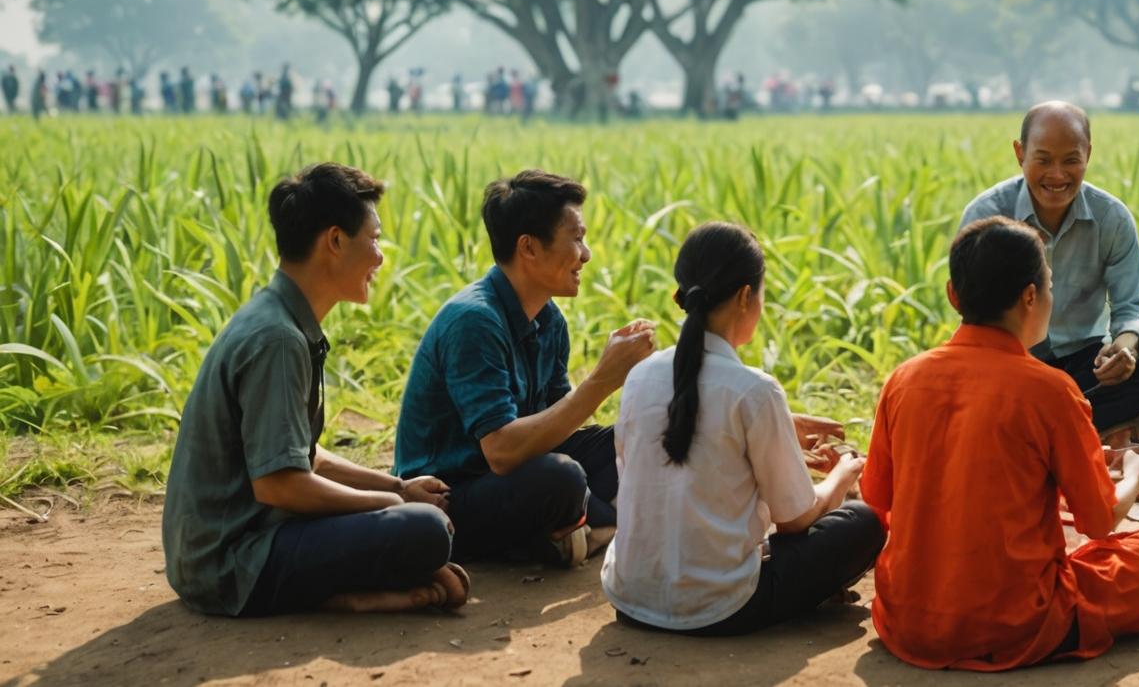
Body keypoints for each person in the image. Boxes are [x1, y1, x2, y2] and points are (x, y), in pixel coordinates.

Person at [864, 217, 1139, 670]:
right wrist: (1134, 474)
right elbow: (1097, 520)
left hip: (907, 622)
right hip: (1014, 624)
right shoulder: (1050, 390)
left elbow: (876, 497)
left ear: (954, 295)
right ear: (1031, 296)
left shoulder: (904, 379)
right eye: (1048, 287)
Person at [163, 163, 468, 615]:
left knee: (415, 517)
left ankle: (354, 588)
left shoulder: (280, 320)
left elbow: (302, 454)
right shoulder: (278, 339)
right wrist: (384, 506)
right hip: (231, 564)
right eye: (375, 238)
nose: (381, 256)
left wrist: (398, 486)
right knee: (423, 529)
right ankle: (338, 595)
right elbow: (279, 485)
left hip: (212, 555)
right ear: (335, 241)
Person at [604, 222, 882, 636]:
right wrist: (842, 476)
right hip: (720, 609)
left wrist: (781, 430)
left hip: (631, 599)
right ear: (745, 296)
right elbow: (795, 521)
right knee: (864, 523)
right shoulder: (754, 390)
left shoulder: (641, 376)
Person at [396, 170, 656, 565]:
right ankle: (589, 527)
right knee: (561, 477)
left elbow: (557, 426)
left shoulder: (550, 321)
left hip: (514, 473)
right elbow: (500, 452)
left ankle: (580, 529)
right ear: (529, 248)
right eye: (577, 238)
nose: (585, 254)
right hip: (452, 492)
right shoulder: (474, 320)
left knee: (639, 436)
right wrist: (603, 379)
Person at [959, 102, 1139, 445]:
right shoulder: (988, 215)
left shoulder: (1111, 218)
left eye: (1071, 160)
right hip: (1012, 362)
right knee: (980, 393)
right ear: (1020, 153)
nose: (1058, 175)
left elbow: (1132, 306)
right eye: (1043, 160)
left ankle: (1039, 433)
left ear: (1088, 154)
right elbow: (975, 313)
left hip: (1086, 362)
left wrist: (1123, 350)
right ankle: (1102, 429)